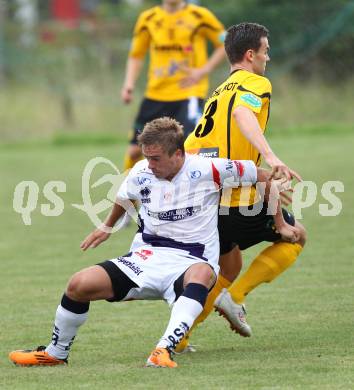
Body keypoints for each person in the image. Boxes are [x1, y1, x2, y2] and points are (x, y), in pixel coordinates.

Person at [9, 117, 283, 369]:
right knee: (78, 284)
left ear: (178, 154)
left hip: (191, 260)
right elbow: (125, 195)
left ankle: (162, 350)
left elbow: (260, 174)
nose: (150, 165)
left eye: (156, 159)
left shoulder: (208, 168)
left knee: (203, 274)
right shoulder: (141, 171)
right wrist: (107, 225)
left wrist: (278, 211)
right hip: (145, 259)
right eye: (147, 158)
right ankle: (56, 353)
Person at [178, 22, 306, 350]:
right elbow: (243, 116)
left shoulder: (216, 96)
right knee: (297, 236)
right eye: (265, 50)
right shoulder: (255, 83)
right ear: (250, 55)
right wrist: (271, 157)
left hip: (208, 202)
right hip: (237, 198)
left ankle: (180, 338)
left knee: (229, 265)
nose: (268, 56)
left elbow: (191, 147)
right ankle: (233, 298)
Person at [121, 0, 226, 171]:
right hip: (156, 94)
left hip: (189, 93)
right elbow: (136, 55)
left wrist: (203, 70)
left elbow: (224, 42)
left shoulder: (200, 16)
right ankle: (127, 193)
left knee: (190, 148)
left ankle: (188, 193)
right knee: (134, 151)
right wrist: (129, 85)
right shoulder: (148, 18)